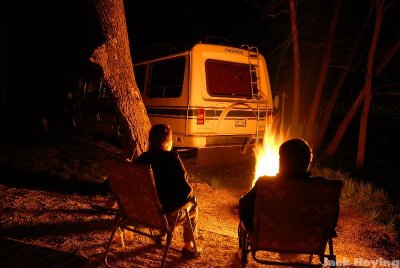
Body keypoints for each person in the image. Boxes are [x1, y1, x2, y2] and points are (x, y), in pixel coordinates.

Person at [238, 138, 339, 248]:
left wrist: (251, 227)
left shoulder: (266, 184)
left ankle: (242, 251)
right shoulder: (324, 188)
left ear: (281, 160)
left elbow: (244, 207)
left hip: (269, 238)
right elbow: (332, 220)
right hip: (309, 241)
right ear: (308, 162)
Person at [135, 124, 199, 259]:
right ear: (167, 141)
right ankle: (189, 247)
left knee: (165, 201)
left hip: (141, 213)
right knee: (193, 203)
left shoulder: (141, 159)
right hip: (165, 216)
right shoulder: (172, 159)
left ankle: (160, 235)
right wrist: (190, 193)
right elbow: (185, 192)